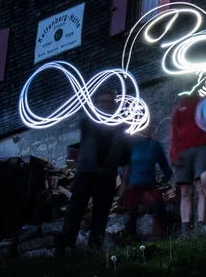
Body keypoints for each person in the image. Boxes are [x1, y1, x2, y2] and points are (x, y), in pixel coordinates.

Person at [57, 91, 130, 251]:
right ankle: (66, 247)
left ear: (114, 105)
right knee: (76, 208)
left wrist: (124, 179)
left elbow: (124, 154)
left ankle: (95, 247)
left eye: (109, 102)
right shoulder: (90, 121)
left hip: (107, 176)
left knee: (102, 212)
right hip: (87, 172)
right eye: (102, 102)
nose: (106, 105)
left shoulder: (119, 128)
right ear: (95, 104)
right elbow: (96, 134)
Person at [168, 93, 206, 233]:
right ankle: (186, 228)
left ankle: (201, 223)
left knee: (201, 185)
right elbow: (173, 134)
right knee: (185, 190)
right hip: (184, 151)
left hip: (202, 146)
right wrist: (173, 155)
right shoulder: (179, 110)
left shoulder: (205, 104)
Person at [123, 123, 173, 239]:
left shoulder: (155, 146)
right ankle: (130, 239)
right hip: (134, 185)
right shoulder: (131, 145)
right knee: (131, 210)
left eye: (149, 126)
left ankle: (159, 236)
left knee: (159, 206)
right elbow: (123, 165)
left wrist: (166, 177)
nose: (148, 128)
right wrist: (124, 181)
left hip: (149, 185)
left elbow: (164, 165)